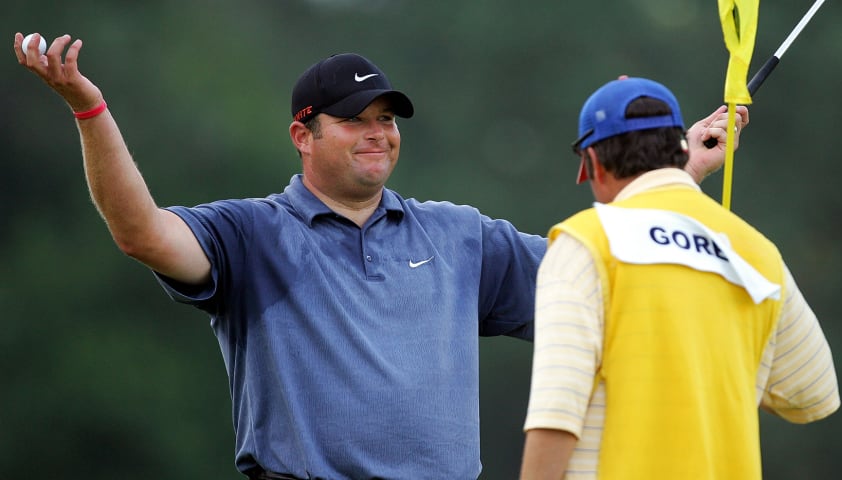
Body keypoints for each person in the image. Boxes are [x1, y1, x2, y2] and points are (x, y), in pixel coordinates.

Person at [14, 32, 748, 479]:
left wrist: (670, 167)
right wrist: (88, 108)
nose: (381, 133)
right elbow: (141, 231)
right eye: (356, 121)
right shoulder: (253, 235)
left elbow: (595, 270)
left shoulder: (460, 237)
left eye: (388, 119)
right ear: (303, 134)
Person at [518, 77, 840, 480]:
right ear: (680, 150)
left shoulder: (585, 243)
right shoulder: (756, 253)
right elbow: (811, 394)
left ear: (594, 164)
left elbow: (556, 415)